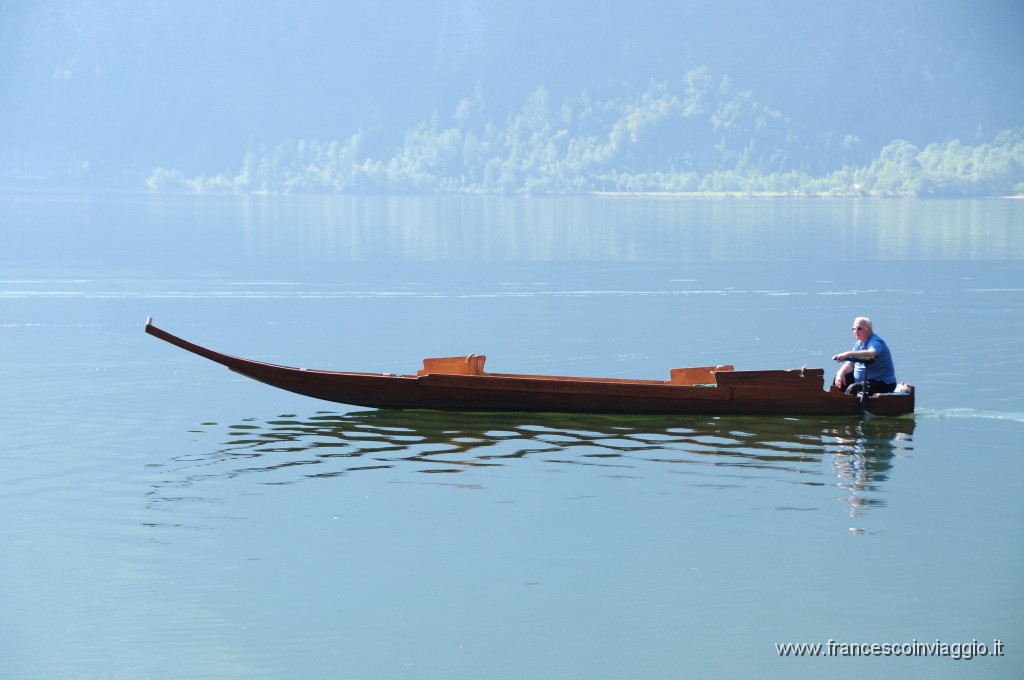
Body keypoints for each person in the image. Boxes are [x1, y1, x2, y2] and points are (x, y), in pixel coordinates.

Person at [832, 316, 897, 395]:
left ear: (869, 329)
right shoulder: (858, 344)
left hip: (883, 383)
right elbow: (851, 364)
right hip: (863, 381)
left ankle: (845, 404)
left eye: (859, 328)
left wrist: (848, 354)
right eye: (854, 329)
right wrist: (840, 372)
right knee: (840, 378)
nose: (856, 331)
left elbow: (872, 353)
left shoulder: (876, 342)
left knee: (854, 388)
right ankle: (836, 400)